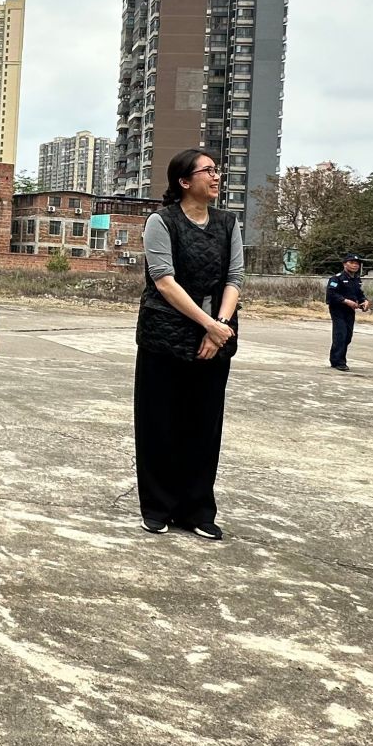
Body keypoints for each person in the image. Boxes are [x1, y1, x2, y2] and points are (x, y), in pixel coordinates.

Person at [133, 147, 243, 541]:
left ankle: (197, 509)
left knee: (204, 425)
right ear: (184, 181)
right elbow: (164, 281)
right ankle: (157, 507)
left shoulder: (228, 223)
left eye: (217, 170)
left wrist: (220, 327)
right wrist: (208, 324)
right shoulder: (161, 222)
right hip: (164, 336)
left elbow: (234, 279)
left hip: (216, 336)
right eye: (207, 171)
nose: (216, 177)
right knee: (159, 422)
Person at [327, 254, 368, 371]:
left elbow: (359, 293)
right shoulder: (337, 278)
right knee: (340, 334)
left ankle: (338, 359)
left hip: (350, 310)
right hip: (338, 309)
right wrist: (345, 301)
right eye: (352, 263)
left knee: (348, 337)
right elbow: (331, 294)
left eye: (357, 263)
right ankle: (338, 361)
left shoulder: (356, 279)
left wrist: (364, 301)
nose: (355, 265)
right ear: (345, 264)